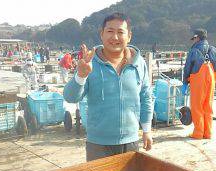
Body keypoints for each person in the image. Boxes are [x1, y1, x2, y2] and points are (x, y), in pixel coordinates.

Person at [64, 12, 153, 161]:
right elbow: (70, 97)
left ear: (129, 36)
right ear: (102, 34)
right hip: (98, 144)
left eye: (120, 32)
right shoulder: (90, 63)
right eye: (110, 31)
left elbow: (146, 97)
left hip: (130, 141)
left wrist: (146, 131)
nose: (115, 37)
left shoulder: (139, 63)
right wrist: (81, 75)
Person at [182, 29, 216, 139]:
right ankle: (207, 133)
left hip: (198, 79)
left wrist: (185, 82)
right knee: (208, 106)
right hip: (211, 78)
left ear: (197, 37)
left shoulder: (194, 50)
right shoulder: (213, 49)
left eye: (193, 39)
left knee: (197, 106)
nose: (193, 41)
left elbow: (188, 67)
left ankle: (198, 133)